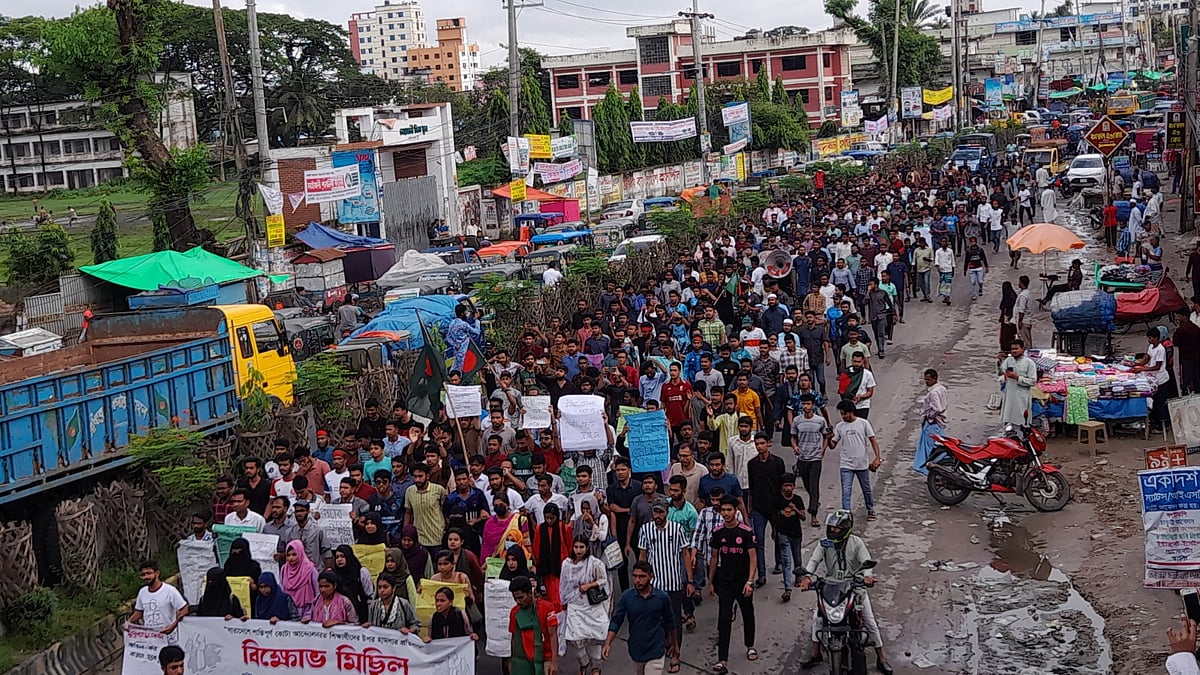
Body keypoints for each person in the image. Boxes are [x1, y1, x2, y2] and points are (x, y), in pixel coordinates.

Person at [798, 510, 892, 674]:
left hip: (855, 588)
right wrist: (806, 576)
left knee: (870, 623)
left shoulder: (857, 543)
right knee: (817, 619)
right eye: (831, 528)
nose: (833, 531)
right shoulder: (825, 543)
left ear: (846, 529)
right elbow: (814, 560)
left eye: (836, 528)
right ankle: (815, 653)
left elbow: (866, 561)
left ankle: (881, 657)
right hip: (831, 588)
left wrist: (867, 577)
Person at [708, 495, 758, 673]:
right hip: (725, 582)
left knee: (747, 613)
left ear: (736, 511)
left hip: (743, 581)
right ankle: (722, 660)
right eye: (724, 510)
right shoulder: (717, 532)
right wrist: (711, 582)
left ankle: (750, 645)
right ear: (720, 511)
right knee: (723, 619)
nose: (727, 513)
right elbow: (714, 558)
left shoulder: (745, 532)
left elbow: (753, 558)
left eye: (730, 510)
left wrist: (750, 581)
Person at [603, 561, 679, 675]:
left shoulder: (662, 597)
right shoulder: (627, 597)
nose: (637, 580)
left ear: (651, 576)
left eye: (642, 576)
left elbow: (670, 622)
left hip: (656, 650)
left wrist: (674, 644)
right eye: (635, 576)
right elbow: (616, 621)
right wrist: (608, 643)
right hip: (636, 650)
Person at [561, 535, 610, 675]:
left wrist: (589, 585)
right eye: (576, 547)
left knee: (595, 637)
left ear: (587, 548)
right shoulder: (567, 564)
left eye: (581, 547)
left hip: (591, 606)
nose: (578, 550)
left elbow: (603, 580)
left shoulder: (594, 563)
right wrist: (563, 602)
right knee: (574, 639)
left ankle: (596, 667)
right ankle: (584, 663)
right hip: (574, 606)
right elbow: (563, 585)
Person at [829, 400, 882, 520]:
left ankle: (870, 510)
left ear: (851, 412)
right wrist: (828, 438)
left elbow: (873, 440)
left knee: (866, 489)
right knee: (846, 492)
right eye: (841, 414)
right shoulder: (840, 426)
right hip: (846, 464)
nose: (843, 416)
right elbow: (833, 445)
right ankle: (846, 515)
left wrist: (877, 458)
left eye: (844, 414)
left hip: (862, 464)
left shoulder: (863, 423)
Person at [508, 575, 561, 675]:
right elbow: (514, 638)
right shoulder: (514, 612)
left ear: (530, 593)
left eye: (521, 597)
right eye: (515, 598)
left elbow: (553, 635)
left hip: (545, 658)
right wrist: (512, 661)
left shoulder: (547, 608)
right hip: (523, 660)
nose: (518, 601)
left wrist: (554, 661)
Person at [773, 473, 807, 601]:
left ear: (794, 487)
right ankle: (787, 588)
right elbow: (775, 516)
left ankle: (798, 577)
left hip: (796, 534)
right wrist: (774, 531)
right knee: (786, 561)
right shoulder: (778, 501)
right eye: (785, 486)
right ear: (782, 487)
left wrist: (795, 509)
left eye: (790, 486)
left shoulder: (797, 500)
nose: (788, 488)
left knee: (797, 559)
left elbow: (803, 517)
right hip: (783, 534)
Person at [130, 560, 188, 635]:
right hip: (151, 639)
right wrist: (129, 622)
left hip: (169, 639)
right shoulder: (142, 592)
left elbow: (184, 609)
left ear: (157, 573)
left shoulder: (170, 590)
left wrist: (173, 625)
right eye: (143, 575)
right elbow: (139, 612)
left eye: (149, 573)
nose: (146, 577)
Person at [532, 502, 572, 607]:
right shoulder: (539, 528)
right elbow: (536, 548)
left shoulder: (564, 528)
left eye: (552, 518)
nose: (549, 520)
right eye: (547, 518)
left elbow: (570, 547)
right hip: (546, 570)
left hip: (561, 569)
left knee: (560, 597)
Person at [913, 369, 948, 476]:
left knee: (930, 449)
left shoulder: (933, 393)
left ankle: (930, 470)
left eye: (928, 380)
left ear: (934, 379)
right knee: (940, 446)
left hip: (932, 424)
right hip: (939, 423)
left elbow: (937, 408)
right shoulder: (942, 389)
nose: (926, 382)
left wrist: (930, 416)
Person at [999, 339, 1037, 428]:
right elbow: (1001, 374)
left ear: (1023, 349)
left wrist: (1017, 377)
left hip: (1022, 396)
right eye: (1012, 349)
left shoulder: (1029, 363)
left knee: (1022, 420)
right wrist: (1001, 361)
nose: (1014, 351)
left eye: (1016, 349)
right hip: (1009, 394)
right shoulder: (1008, 360)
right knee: (1008, 418)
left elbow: (1033, 381)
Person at [332, 544, 374, 621]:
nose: (339, 559)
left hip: (361, 613)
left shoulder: (361, 572)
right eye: (337, 557)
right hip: (340, 614)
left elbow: (369, 593)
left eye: (342, 556)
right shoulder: (334, 574)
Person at [280, 540, 320, 618]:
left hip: (307, 612)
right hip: (288, 611)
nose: (291, 558)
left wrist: (310, 614)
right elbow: (282, 589)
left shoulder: (310, 569)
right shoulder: (284, 569)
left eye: (294, 554)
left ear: (300, 553)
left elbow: (318, 593)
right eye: (288, 555)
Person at [934, 239, 955, 305]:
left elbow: (952, 260)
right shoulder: (938, 251)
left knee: (948, 284)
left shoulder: (950, 251)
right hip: (942, 270)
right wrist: (938, 268)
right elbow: (936, 261)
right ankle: (945, 297)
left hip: (949, 269)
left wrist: (953, 269)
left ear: (947, 242)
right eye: (942, 241)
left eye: (944, 241)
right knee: (943, 284)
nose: (943, 243)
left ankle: (947, 298)